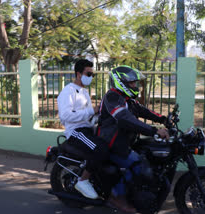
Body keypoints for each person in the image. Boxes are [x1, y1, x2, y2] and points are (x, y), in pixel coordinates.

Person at [97, 65, 169, 213]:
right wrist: (153, 131)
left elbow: (142, 110)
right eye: (132, 83)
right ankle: (117, 198)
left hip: (125, 141)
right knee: (136, 164)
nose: (135, 85)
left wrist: (163, 119)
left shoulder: (127, 98)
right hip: (113, 143)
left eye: (135, 83)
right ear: (120, 82)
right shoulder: (113, 97)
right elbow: (126, 119)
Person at [57, 59, 109, 199]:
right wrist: (92, 111)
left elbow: (88, 116)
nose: (91, 77)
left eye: (93, 74)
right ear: (79, 74)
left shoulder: (84, 92)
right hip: (76, 132)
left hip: (87, 129)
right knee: (101, 149)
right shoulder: (68, 91)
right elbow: (66, 115)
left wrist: (99, 115)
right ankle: (83, 180)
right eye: (89, 73)